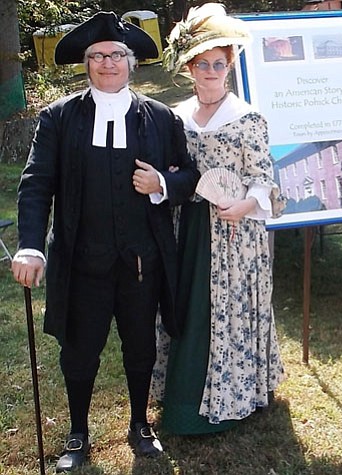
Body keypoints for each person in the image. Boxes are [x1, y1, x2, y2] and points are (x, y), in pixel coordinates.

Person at [11, 11, 199, 472]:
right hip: (81, 259)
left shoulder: (160, 117)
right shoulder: (58, 118)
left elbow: (188, 175)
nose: (107, 63)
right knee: (79, 348)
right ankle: (78, 431)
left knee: (140, 345)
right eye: (97, 56)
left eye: (117, 55)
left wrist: (162, 184)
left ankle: (140, 423)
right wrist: (31, 245)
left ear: (132, 63)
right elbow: (36, 183)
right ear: (86, 63)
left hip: (141, 259)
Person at [156, 3, 286, 435]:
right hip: (188, 229)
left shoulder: (248, 118)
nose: (211, 71)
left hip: (233, 234)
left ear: (228, 67)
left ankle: (234, 395)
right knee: (187, 307)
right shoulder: (176, 116)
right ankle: (182, 395)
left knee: (226, 311)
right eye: (202, 64)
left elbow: (263, 178)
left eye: (218, 63)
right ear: (190, 68)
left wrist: (245, 206)